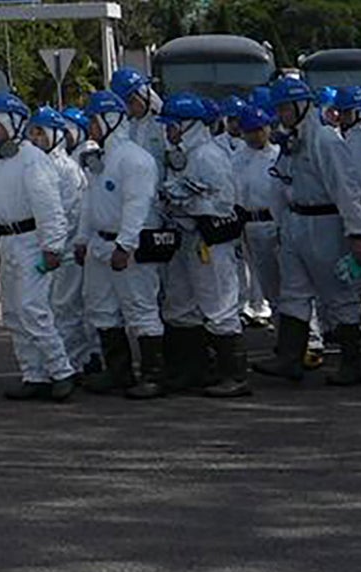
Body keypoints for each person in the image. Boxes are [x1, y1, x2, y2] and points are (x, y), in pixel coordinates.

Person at [261, 75, 361, 386]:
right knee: (292, 292)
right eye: (279, 109)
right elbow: (281, 185)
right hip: (297, 221)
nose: (281, 115)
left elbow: (345, 187)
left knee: (339, 294)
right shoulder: (292, 142)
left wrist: (356, 231)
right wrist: (282, 225)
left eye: (285, 108)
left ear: (300, 106)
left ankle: (351, 364)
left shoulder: (325, 140)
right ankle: (290, 358)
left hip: (325, 221)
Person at [0, 94, 74, 402]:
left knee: (34, 309)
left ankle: (61, 372)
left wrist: (53, 246)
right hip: (8, 242)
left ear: (14, 123)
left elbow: (50, 207)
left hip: (32, 242)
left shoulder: (33, 160)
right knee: (14, 313)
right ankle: (34, 373)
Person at [153, 94, 247, 398]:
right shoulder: (183, 155)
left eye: (173, 125)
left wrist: (185, 198)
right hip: (185, 239)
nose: (168, 131)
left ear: (189, 125)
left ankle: (232, 373)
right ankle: (189, 369)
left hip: (208, 241)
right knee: (179, 304)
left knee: (218, 305)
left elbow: (223, 202)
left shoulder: (208, 156)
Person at [80, 89, 164, 399]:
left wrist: (125, 245)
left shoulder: (135, 159)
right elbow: (89, 202)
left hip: (126, 247)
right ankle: (119, 372)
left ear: (110, 120)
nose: (90, 127)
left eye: (94, 120)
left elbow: (136, 205)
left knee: (141, 308)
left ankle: (154, 374)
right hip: (100, 244)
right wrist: (81, 239)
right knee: (102, 309)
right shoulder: (100, 160)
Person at [34, 108, 96, 381]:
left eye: (41, 132)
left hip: (66, 253)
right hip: (49, 252)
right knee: (53, 310)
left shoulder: (66, 169)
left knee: (66, 310)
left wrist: (57, 245)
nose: (35, 138)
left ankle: (76, 363)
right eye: (33, 131)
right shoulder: (38, 165)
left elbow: (69, 213)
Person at [235, 100, 285, 331]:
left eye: (260, 129)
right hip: (249, 226)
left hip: (276, 223)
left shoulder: (279, 156)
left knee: (293, 284)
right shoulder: (237, 159)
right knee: (268, 285)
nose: (256, 135)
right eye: (250, 131)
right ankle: (283, 334)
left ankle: (310, 339)